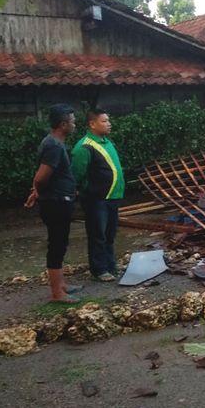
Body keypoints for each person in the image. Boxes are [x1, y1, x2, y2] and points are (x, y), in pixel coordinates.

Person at [25, 104, 83, 303]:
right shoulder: (54, 146)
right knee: (57, 244)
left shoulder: (54, 143)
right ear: (63, 124)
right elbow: (41, 176)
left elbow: (41, 178)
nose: (75, 125)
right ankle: (57, 293)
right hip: (56, 203)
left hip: (58, 200)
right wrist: (38, 189)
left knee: (61, 242)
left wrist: (35, 191)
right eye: (72, 122)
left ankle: (62, 285)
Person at [71, 109, 125, 282]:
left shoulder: (107, 143)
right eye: (104, 121)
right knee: (97, 234)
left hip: (112, 197)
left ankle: (110, 265)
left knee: (110, 234)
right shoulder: (85, 146)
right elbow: (76, 174)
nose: (109, 124)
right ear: (92, 124)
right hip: (97, 199)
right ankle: (99, 269)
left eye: (108, 120)